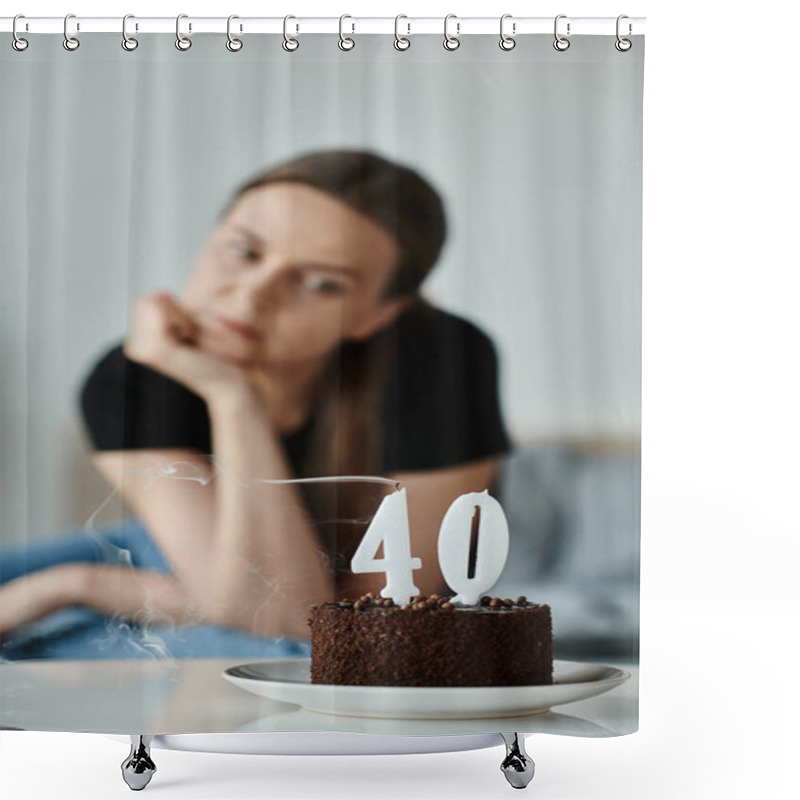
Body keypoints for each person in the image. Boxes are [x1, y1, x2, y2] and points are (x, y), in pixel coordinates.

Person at [0, 149, 511, 660]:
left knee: (284, 657)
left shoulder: (442, 359)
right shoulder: (134, 379)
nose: (250, 297)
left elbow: (319, 624)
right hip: (168, 551)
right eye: (244, 251)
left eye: (320, 283)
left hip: (297, 605)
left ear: (376, 315)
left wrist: (76, 585)